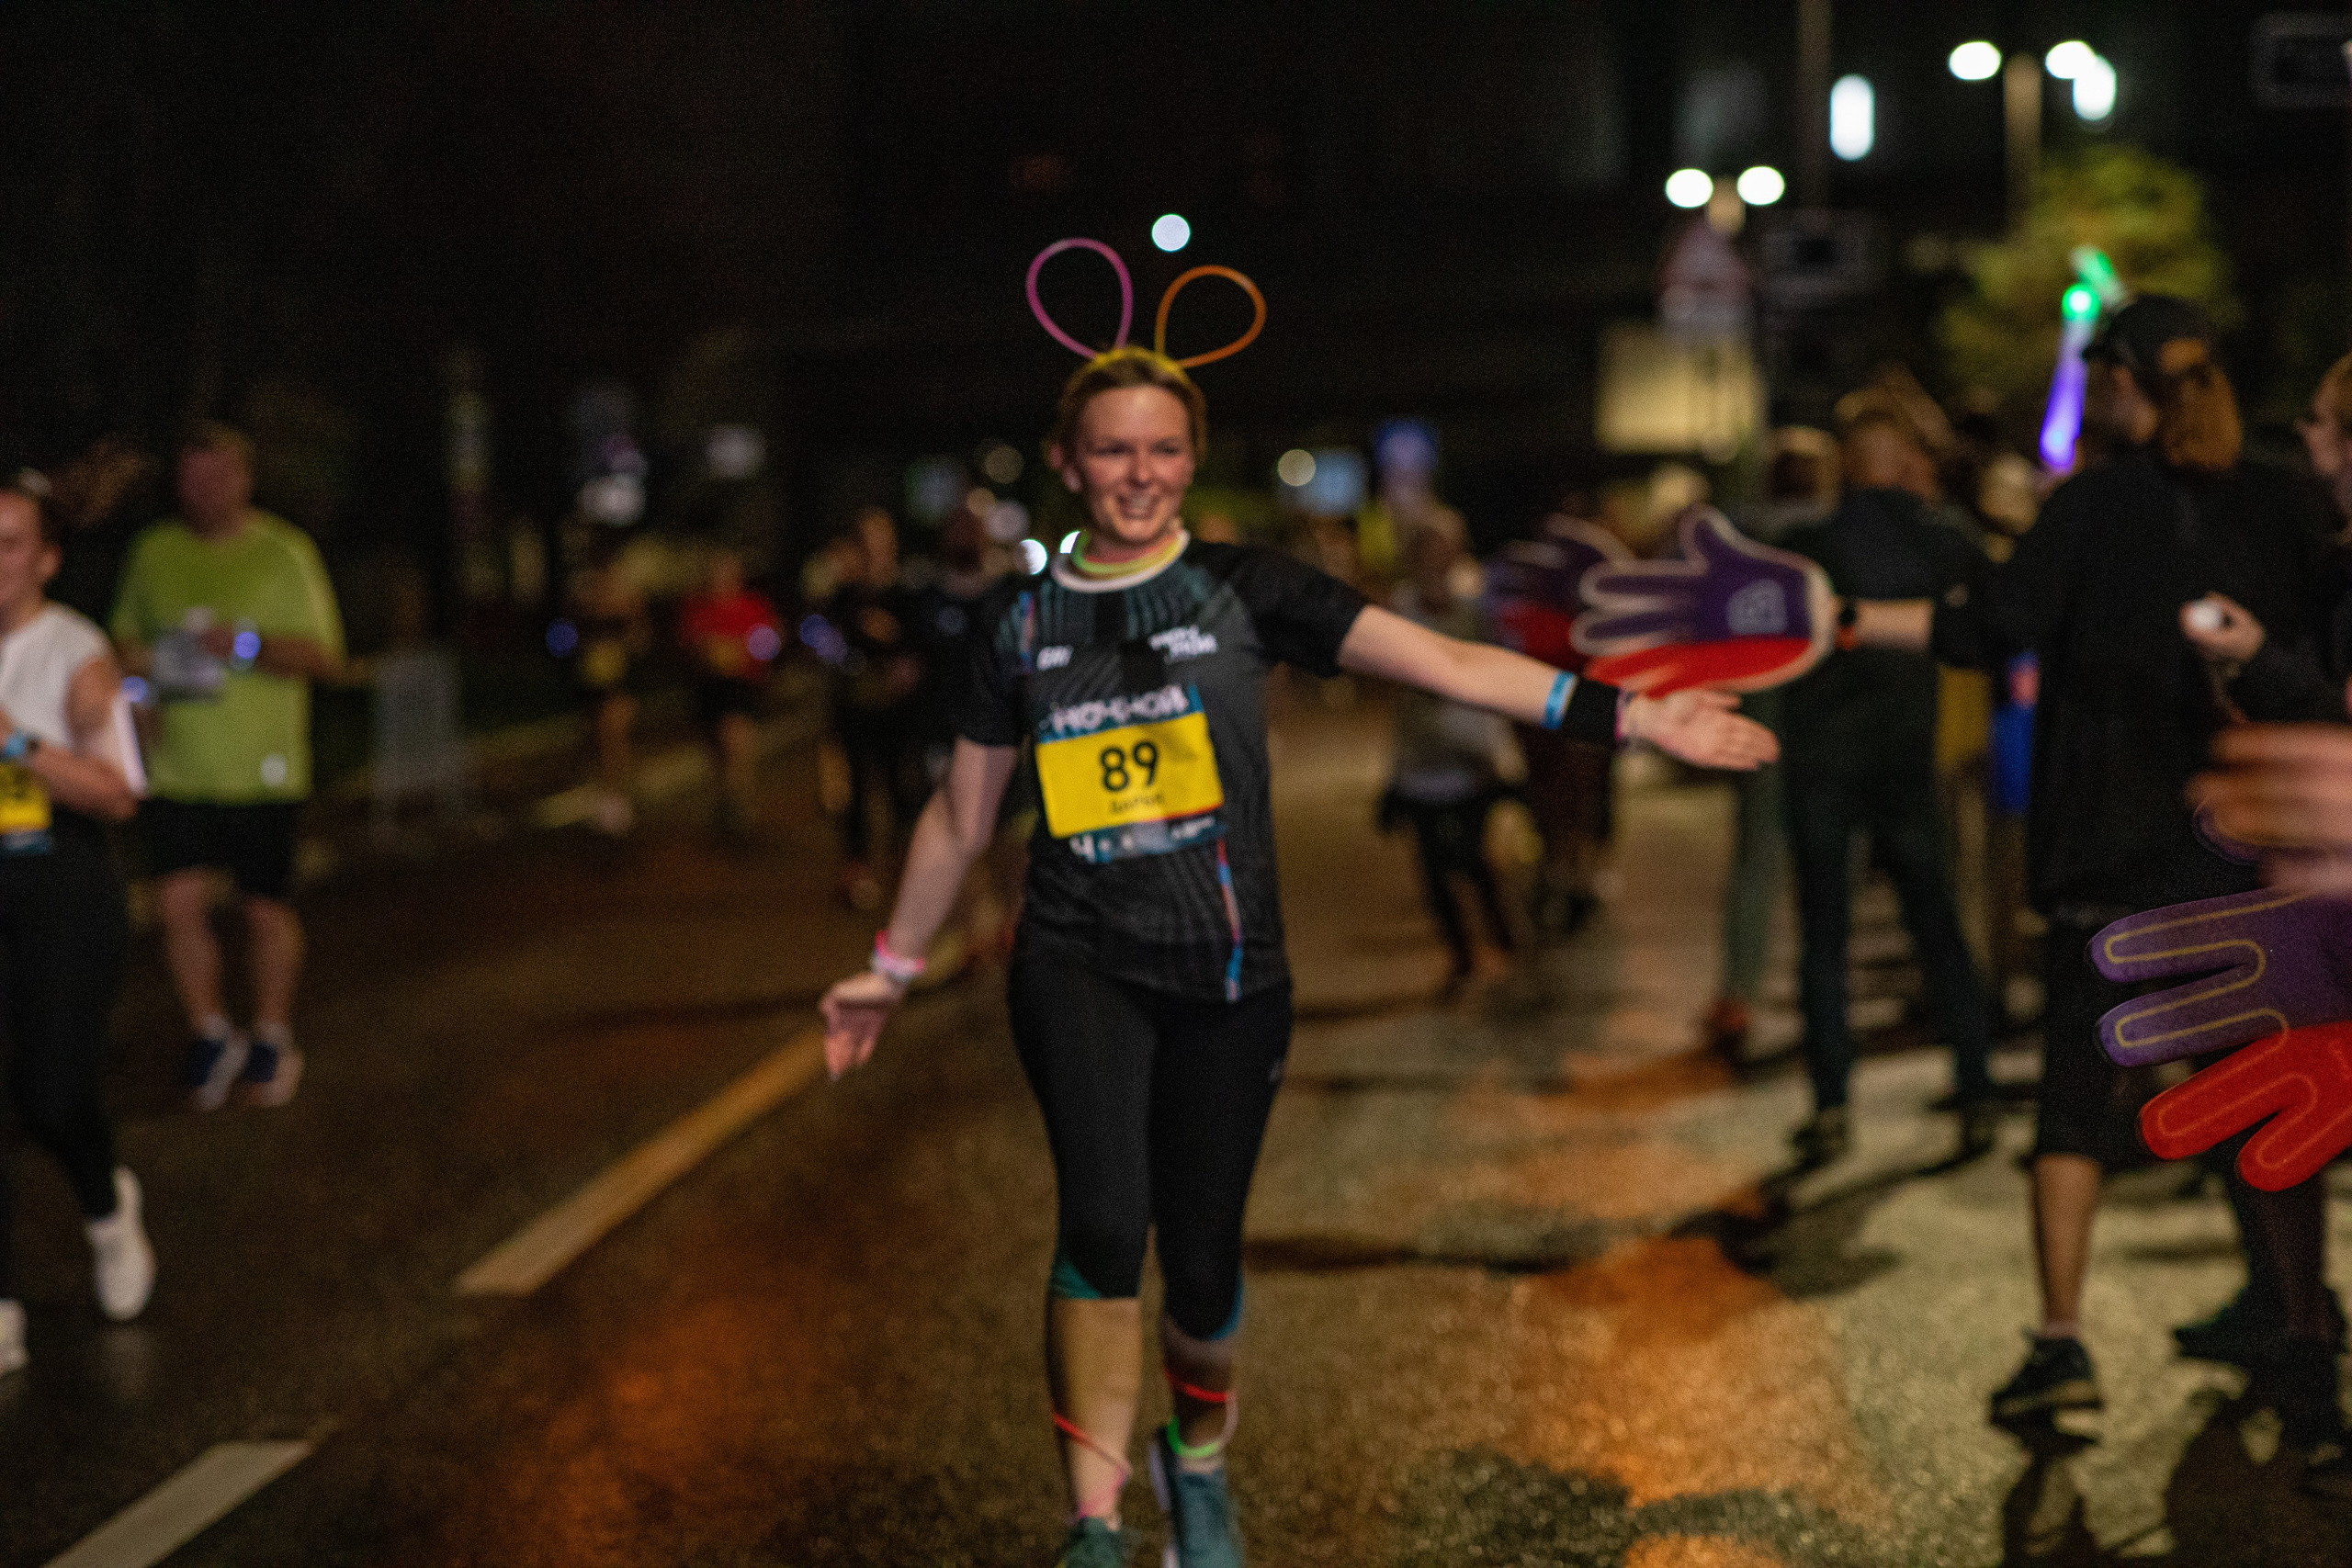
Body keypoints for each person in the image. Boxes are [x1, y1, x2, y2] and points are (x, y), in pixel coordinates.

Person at [818, 344, 1776, 1568]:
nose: (1138, 473)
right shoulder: (1019, 622)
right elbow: (961, 817)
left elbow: (1451, 663)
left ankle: (1196, 1462)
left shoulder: (1246, 590)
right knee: (1103, 1225)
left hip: (1228, 975)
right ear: (1067, 463)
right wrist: (891, 966)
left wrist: (1634, 714)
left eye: (1162, 448)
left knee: (1201, 1262)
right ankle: (1094, 1524)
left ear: (1189, 460)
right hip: (1076, 955)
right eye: (1112, 449)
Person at [1836, 299, 2346, 1467]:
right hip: (2248, 852)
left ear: (2119, 384)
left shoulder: (2090, 508)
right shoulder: (2283, 503)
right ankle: (2301, 1341)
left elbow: (1990, 628)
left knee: (2074, 1101)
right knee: (2263, 1101)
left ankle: (2061, 1341)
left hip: (2107, 856)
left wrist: (1848, 620)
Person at [1777, 412, 1996, 1166]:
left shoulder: (1806, 545)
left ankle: (1831, 1103)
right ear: (1903, 464)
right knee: (1937, 925)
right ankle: (1975, 1085)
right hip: (1905, 762)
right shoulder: (1937, 539)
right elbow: (1999, 604)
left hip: (1820, 761)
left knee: (1823, 936)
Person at [110, 423, 345, 1111]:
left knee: (263, 909)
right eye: (191, 477)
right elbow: (122, 642)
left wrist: (243, 645)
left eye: (216, 476)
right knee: (177, 905)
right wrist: (138, 675)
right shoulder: (154, 551)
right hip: (178, 767)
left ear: (245, 479)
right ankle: (211, 1031)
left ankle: (271, 1033)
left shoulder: (285, 552)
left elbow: (325, 658)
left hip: (262, 769)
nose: (203, 490)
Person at [0, 475, 153, 1375]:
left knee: (51, 1093)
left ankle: (106, 1205)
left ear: (48, 559)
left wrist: (15, 742)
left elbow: (119, 789)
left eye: (10, 542)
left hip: (60, 879)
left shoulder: (76, 652)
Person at [1702, 429, 1839, 1056]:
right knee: (1830, 861)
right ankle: (1823, 996)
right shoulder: (1835, 537)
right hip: (1827, 717)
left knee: (1756, 855)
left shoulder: (1744, 541)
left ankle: (1738, 991)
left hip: (1762, 708)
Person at [1380, 511, 1523, 991]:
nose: (1434, 560)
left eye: (1443, 550)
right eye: (1426, 550)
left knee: (1475, 855)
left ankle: (1505, 939)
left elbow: (1501, 665)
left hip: (1472, 755)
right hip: (1420, 759)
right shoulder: (1399, 609)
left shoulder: (1475, 605)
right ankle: (1461, 955)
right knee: (1432, 867)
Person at [822, 506, 927, 908]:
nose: (873, 548)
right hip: (856, 706)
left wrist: (900, 648)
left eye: (880, 539)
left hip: (900, 709)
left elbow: (921, 644)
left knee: (903, 788)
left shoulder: (908, 591)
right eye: (865, 540)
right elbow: (828, 643)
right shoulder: (844, 596)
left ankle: (904, 871)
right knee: (856, 793)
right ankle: (858, 871)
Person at [676, 545, 783, 841]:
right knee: (716, 751)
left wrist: (747, 650)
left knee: (736, 742)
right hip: (709, 688)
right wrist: (704, 651)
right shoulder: (697, 608)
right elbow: (686, 644)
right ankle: (725, 800)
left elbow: (769, 642)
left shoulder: (753, 606)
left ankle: (741, 802)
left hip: (741, 686)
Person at [562, 543, 648, 839]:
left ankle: (616, 798)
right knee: (593, 738)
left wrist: (626, 639)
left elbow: (641, 640)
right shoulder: (581, 600)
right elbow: (566, 638)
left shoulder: (629, 600)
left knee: (613, 733)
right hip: (589, 683)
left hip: (620, 682)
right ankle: (604, 794)